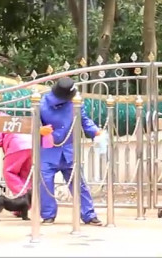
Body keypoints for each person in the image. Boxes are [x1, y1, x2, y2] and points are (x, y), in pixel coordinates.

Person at [38, 77, 103, 226]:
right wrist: (39, 129)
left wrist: (95, 131)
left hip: (69, 150)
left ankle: (88, 215)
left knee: (78, 183)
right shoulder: (41, 103)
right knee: (45, 183)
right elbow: (30, 123)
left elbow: (84, 120)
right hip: (48, 150)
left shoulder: (76, 103)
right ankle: (48, 215)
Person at [0, 111, 33, 199]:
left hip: (16, 147)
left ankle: (22, 198)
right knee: (25, 175)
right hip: (31, 145)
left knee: (9, 172)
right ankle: (29, 200)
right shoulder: (15, 119)